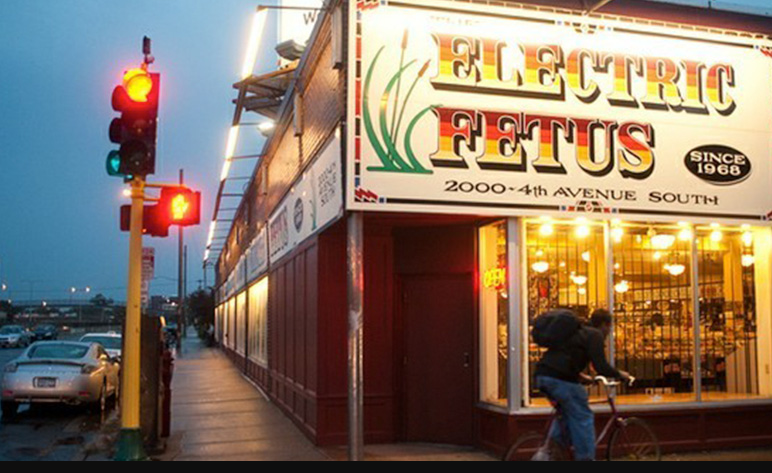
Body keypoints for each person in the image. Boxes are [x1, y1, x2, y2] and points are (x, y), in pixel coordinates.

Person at [534, 309, 631, 461]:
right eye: (609, 327)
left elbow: (565, 357)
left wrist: (580, 376)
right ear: (605, 325)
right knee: (583, 417)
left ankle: (549, 452)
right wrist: (620, 374)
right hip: (560, 379)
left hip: (543, 375)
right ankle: (585, 458)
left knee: (565, 414)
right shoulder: (594, 335)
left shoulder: (576, 332)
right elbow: (601, 366)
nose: (609, 331)